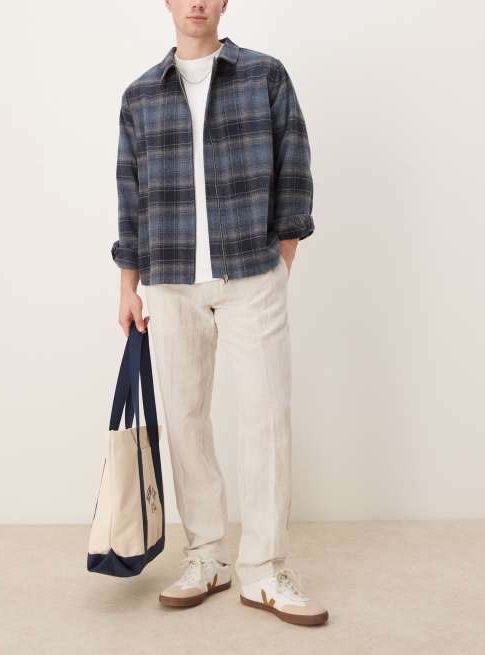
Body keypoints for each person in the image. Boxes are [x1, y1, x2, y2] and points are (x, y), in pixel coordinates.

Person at [111, 0, 328, 627]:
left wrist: (282, 259)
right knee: (185, 419)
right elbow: (130, 193)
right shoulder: (140, 95)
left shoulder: (264, 75)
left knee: (266, 417)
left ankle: (264, 569)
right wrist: (129, 285)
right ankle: (206, 555)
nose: (197, 3)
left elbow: (295, 168)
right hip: (170, 276)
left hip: (252, 272)